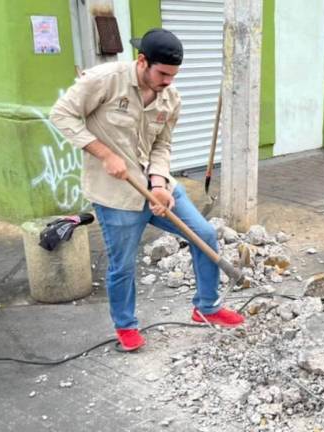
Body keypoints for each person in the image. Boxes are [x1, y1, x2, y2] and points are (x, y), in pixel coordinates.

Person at [50, 29, 245, 352]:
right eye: (163, 73)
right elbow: (61, 114)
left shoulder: (171, 97)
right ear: (142, 61)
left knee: (203, 235)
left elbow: (161, 145)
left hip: (157, 188)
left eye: (174, 75)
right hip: (116, 196)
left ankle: (206, 307)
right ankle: (126, 326)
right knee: (123, 264)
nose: (169, 81)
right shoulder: (104, 80)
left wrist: (159, 184)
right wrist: (104, 153)